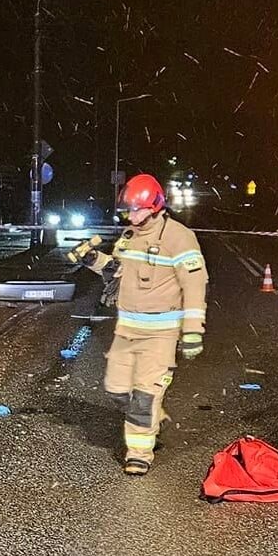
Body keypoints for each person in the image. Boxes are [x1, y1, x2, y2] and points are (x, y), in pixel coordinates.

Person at [70, 173, 207, 477]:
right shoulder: (130, 237)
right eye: (128, 210)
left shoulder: (179, 237)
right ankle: (151, 419)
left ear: (156, 206)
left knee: (144, 396)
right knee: (116, 390)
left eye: (137, 210)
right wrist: (91, 259)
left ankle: (140, 453)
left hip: (161, 333)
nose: (131, 216)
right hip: (127, 330)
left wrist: (193, 329)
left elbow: (196, 284)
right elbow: (116, 271)